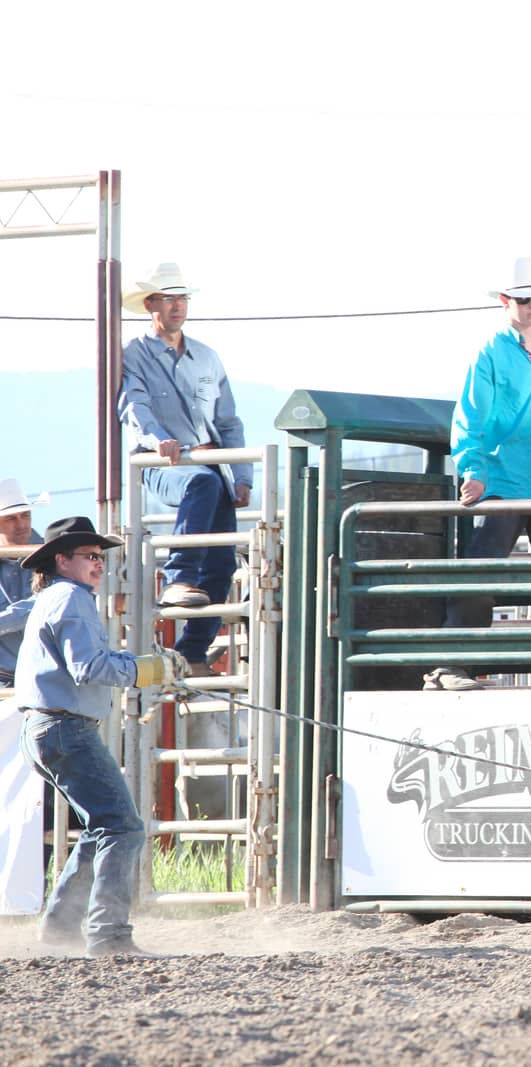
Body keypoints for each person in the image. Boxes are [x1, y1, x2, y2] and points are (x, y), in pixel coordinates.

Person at [15, 517, 188, 957]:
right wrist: (149, 670)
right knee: (122, 826)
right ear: (62, 560)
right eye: (90, 556)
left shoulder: (54, 598)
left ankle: (61, 926)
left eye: (99, 557)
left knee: (101, 826)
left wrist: (143, 665)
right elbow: (88, 668)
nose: (98, 564)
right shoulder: (72, 599)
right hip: (64, 725)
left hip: (45, 726)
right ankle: (108, 934)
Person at [426, 257, 531, 692]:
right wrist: (475, 469)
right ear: (506, 302)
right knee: (481, 569)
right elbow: (471, 415)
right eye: (523, 298)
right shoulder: (490, 352)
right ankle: (452, 665)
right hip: (506, 480)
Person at [118, 263, 251, 674]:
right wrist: (158, 437)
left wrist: (242, 476)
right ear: (150, 304)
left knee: (223, 561)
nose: (177, 306)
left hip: (211, 465)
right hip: (164, 464)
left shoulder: (206, 357)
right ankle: (178, 576)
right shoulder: (133, 355)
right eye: (169, 298)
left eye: (182, 298)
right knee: (201, 486)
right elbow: (133, 405)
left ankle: (194, 649)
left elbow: (228, 420)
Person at [0, 479, 40, 687]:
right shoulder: (48, 557)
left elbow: (38, 607)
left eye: (25, 515)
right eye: (11, 518)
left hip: (44, 679)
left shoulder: (50, 559)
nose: (22, 524)